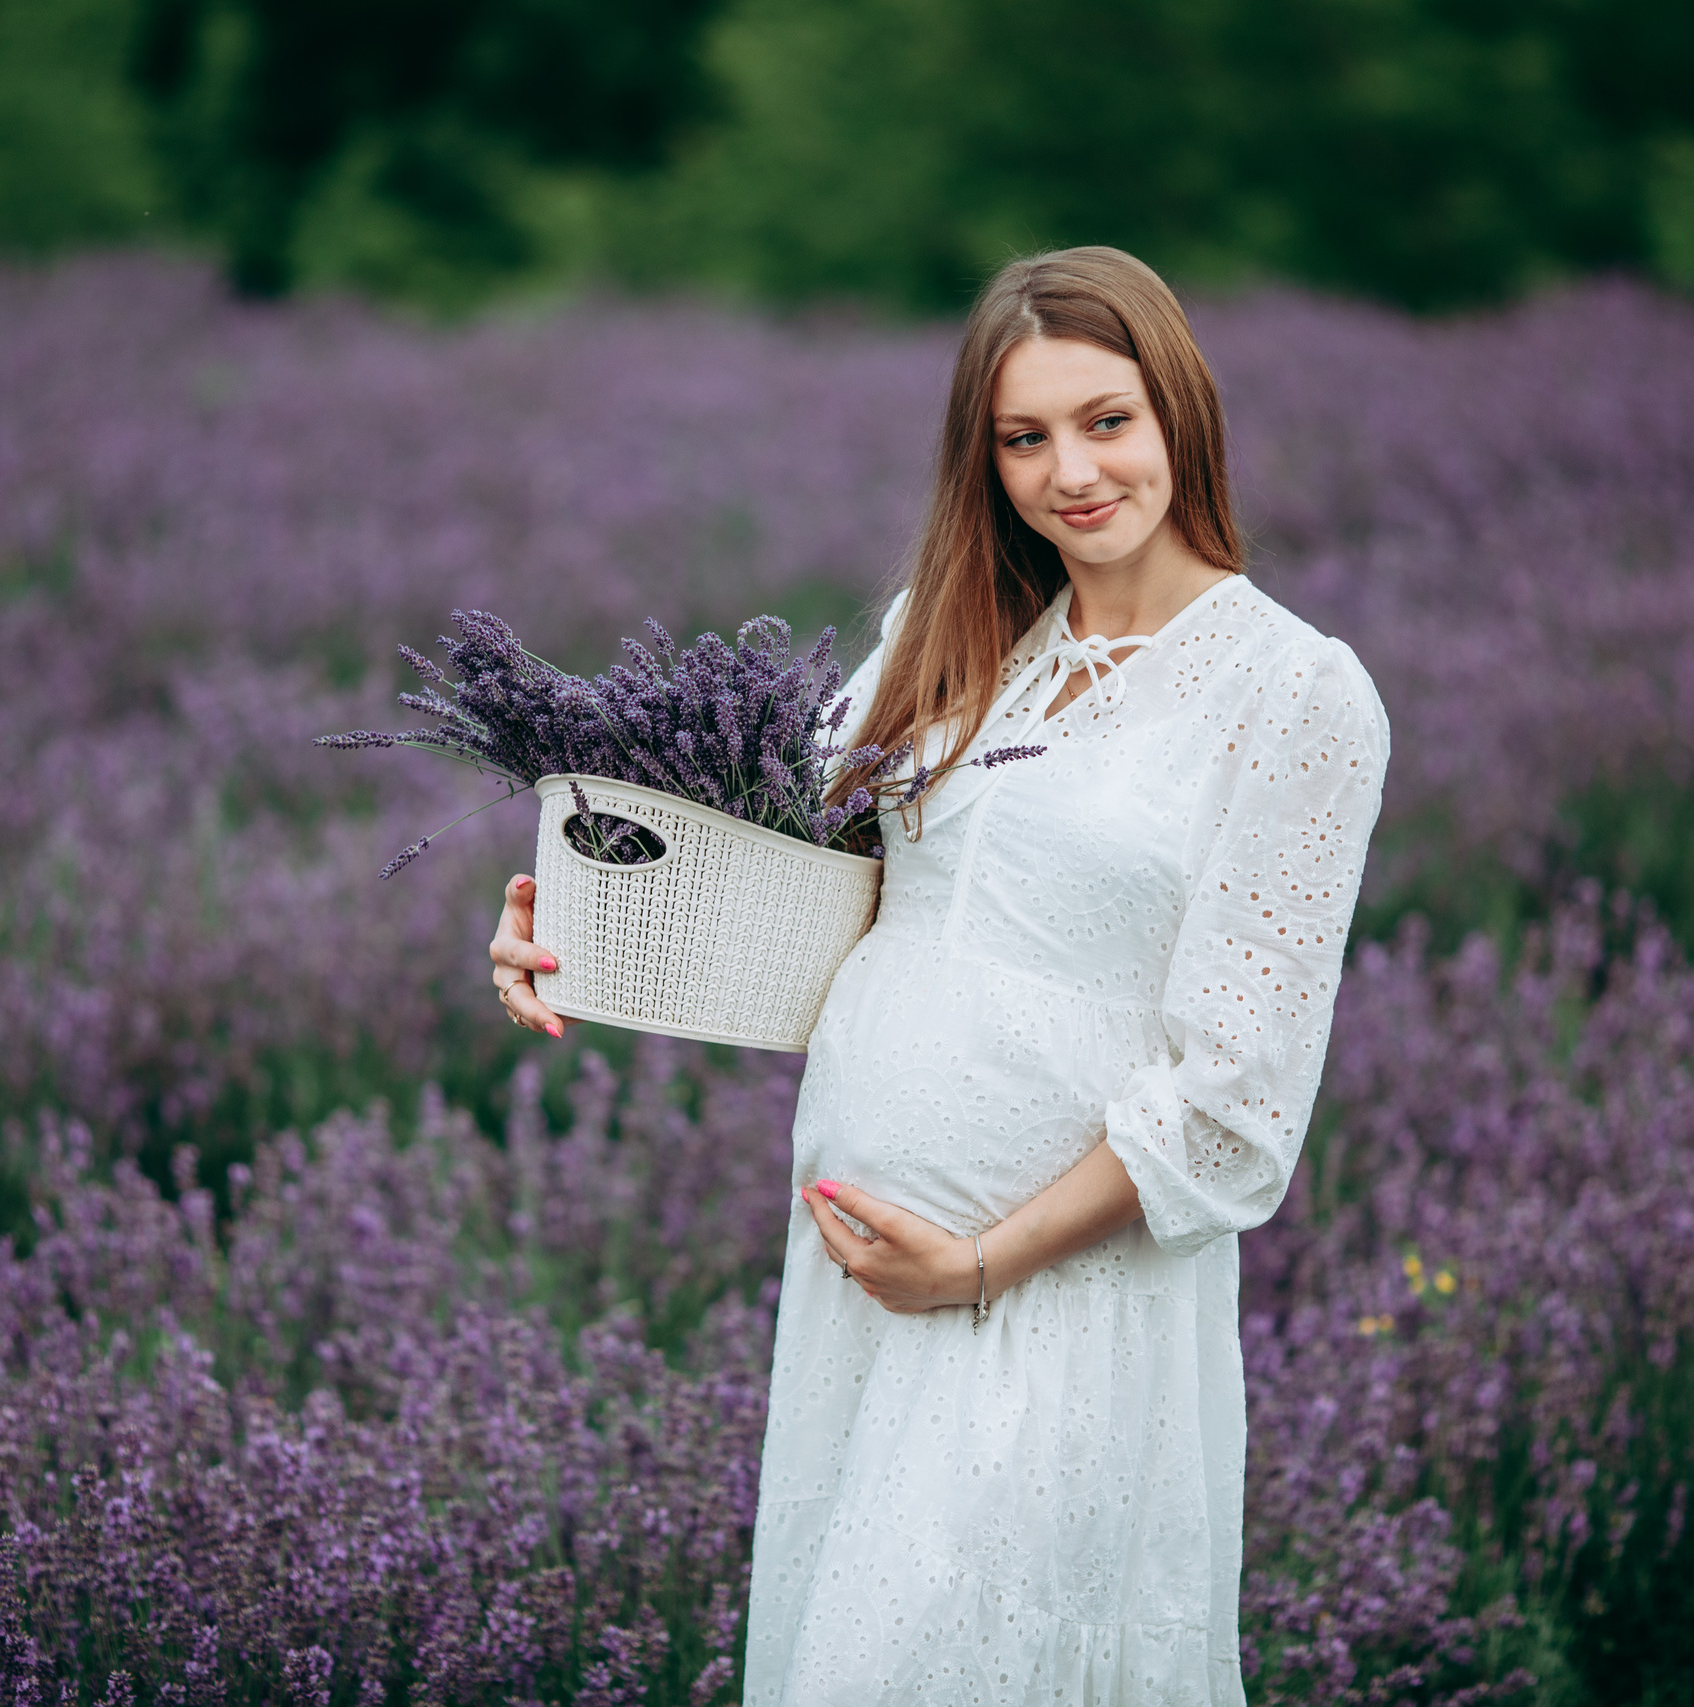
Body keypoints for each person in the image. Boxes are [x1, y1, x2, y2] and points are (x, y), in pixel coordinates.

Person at [487, 246, 1389, 1706]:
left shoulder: (1293, 690)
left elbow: (1236, 1097)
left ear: (1184, 413)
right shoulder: (949, 631)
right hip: (866, 1271)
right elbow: (796, 894)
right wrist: (573, 931)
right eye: (1023, 439)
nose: (1070, 473)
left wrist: (979, 1267)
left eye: (1107, 421)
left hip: (1058, 1293)